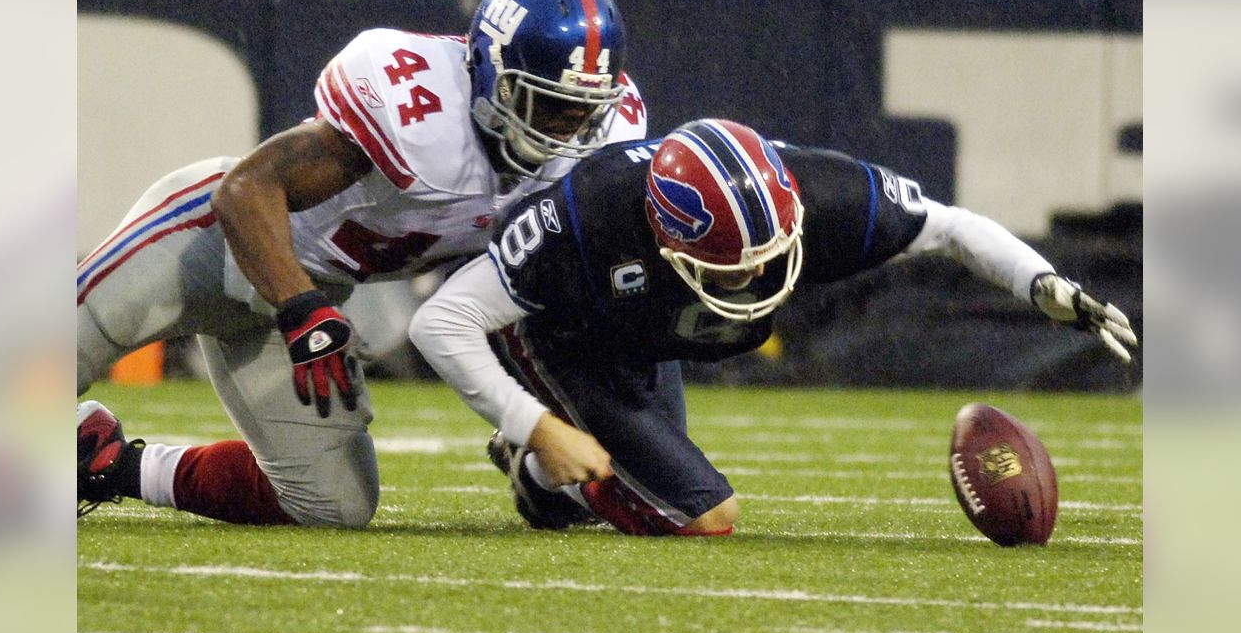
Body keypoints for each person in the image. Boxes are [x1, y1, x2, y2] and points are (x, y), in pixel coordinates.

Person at [77, 0, 648, 527]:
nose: (565, 130)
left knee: (332, 503)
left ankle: (104, 463)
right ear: (489, 71)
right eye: (547, 105)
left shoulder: (598, 147)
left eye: (582, 111)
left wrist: (534, 412)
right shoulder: (419, 105)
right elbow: (246, 190)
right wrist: (302, 312)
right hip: (215, 242)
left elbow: (531, 286)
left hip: (312, 294)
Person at [408, 118, 1137, 536]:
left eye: (772, 256)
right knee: (702, 516)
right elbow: (440, 322)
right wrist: (537, 423)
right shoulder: (581, 219)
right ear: (667, 243)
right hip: (563, 340)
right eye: (734, 268)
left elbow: (949, 226)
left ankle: (538, 484)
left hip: (648, 337)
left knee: (605, 490)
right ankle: (539, 456)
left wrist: (1041, 283)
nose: (759, 280)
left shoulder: (819, 193)